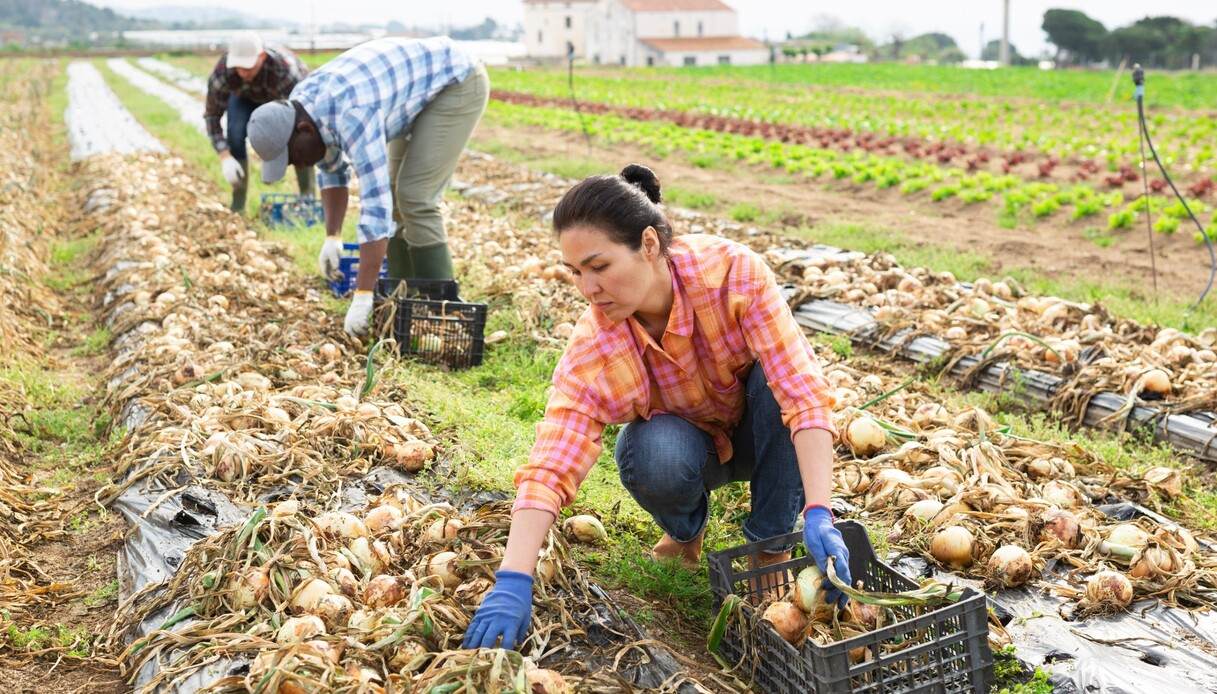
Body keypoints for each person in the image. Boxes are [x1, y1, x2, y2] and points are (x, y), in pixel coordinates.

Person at [462, 165, 851, 651]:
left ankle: (768, 552)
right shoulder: (596, 345)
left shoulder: (732, 274)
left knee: (777, 388)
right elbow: (553, 458)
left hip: (763, 436)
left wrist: (819, 510)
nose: (588, 289)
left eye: (599, 267)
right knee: (649, 451)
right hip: (690, 448)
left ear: (649, 244)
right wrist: (513, 578)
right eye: (576, 272)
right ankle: (686, 533)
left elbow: (803, 394)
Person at [247, 37, 489, 336]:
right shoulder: (301, 106)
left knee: (414, 196)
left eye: (293, 156)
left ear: (303, 130)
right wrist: (332, 235)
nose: (297, 165)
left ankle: (444, 313)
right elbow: (332, 168)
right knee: (395, 187)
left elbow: (376, 205)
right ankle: (406, 302)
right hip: (409, 94)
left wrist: (363, 294)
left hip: (456, 82)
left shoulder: (352, 113)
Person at [204, 31, 312, 213]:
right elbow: (212, 115)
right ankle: (238, 204)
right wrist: (225, 156)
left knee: (298, 138)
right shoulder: (223, 72)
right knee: (235, 132)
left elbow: (301, 116)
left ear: (261, 56)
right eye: (238, 67)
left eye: (247, 67)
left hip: (280, 99)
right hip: (244, 98)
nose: (242, 72)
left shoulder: (284, 69)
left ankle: (307, 197)